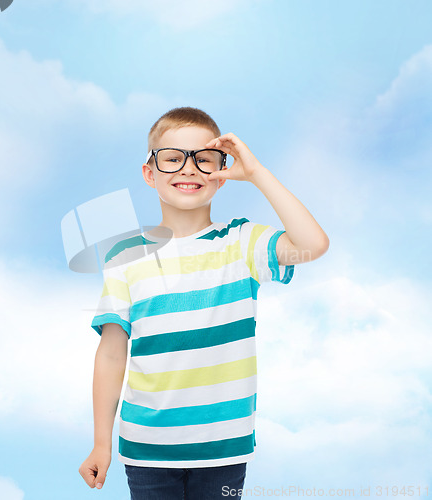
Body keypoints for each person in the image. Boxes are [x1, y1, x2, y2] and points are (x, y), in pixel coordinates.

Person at [79, 107, 329, 499]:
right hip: (148, 447)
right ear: (150, 172)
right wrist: (101, 443)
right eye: (173, 158)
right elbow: (111, 354)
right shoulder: (125, 256)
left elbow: (312, 246)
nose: (189, 169)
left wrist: (257, 173)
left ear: (223, 174)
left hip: (223, 447)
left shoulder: (243, 242)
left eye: (204, 160)